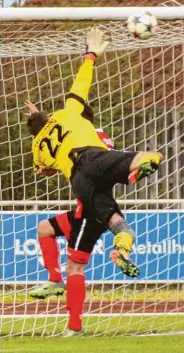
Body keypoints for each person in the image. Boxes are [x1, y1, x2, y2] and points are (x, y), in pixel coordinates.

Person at [26, 28, 163, 336]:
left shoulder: (43, 142)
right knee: (60, 228)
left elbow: (42, 169)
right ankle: (132, 183)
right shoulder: (86, 126)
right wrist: (91, 55)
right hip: (92, 186)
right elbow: (81, 87)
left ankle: (69, 315)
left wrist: (38, 119)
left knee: (73, 255)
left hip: (83, 196)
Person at [24, 100, 114, 300]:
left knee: (74, 268)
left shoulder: (85, 139)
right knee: (44, 228)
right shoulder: (97, 137)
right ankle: (55, 279)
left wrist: (45, 165)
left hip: (91, 209)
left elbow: (58, 149)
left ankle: (75, 327)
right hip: (91, 207)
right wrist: (39, 117)